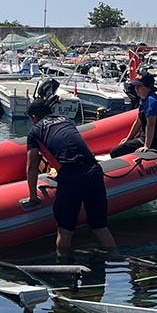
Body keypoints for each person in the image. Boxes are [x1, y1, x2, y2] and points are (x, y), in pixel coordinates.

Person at [25, 98, 117, 255]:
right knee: (100, 227)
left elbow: (32, 166)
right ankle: (113, 259)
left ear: (34, 117)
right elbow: (69, 148)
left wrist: (33, 197)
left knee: (65, 231)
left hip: (72, 177)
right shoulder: (66, 122)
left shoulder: (35, 131)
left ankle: (64, 268)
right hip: (93, 171)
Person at [110, 71, 157, 157]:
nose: (136, 89)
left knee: (115, 152)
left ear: (147, 86)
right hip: (143, 136)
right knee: (121, 146)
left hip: (156, 140)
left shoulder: (151, 101)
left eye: (139, 86)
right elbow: (138, 121)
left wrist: (146, 146)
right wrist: (128, 139)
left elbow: (151, 124)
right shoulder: (143, 99)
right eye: (135, 86)